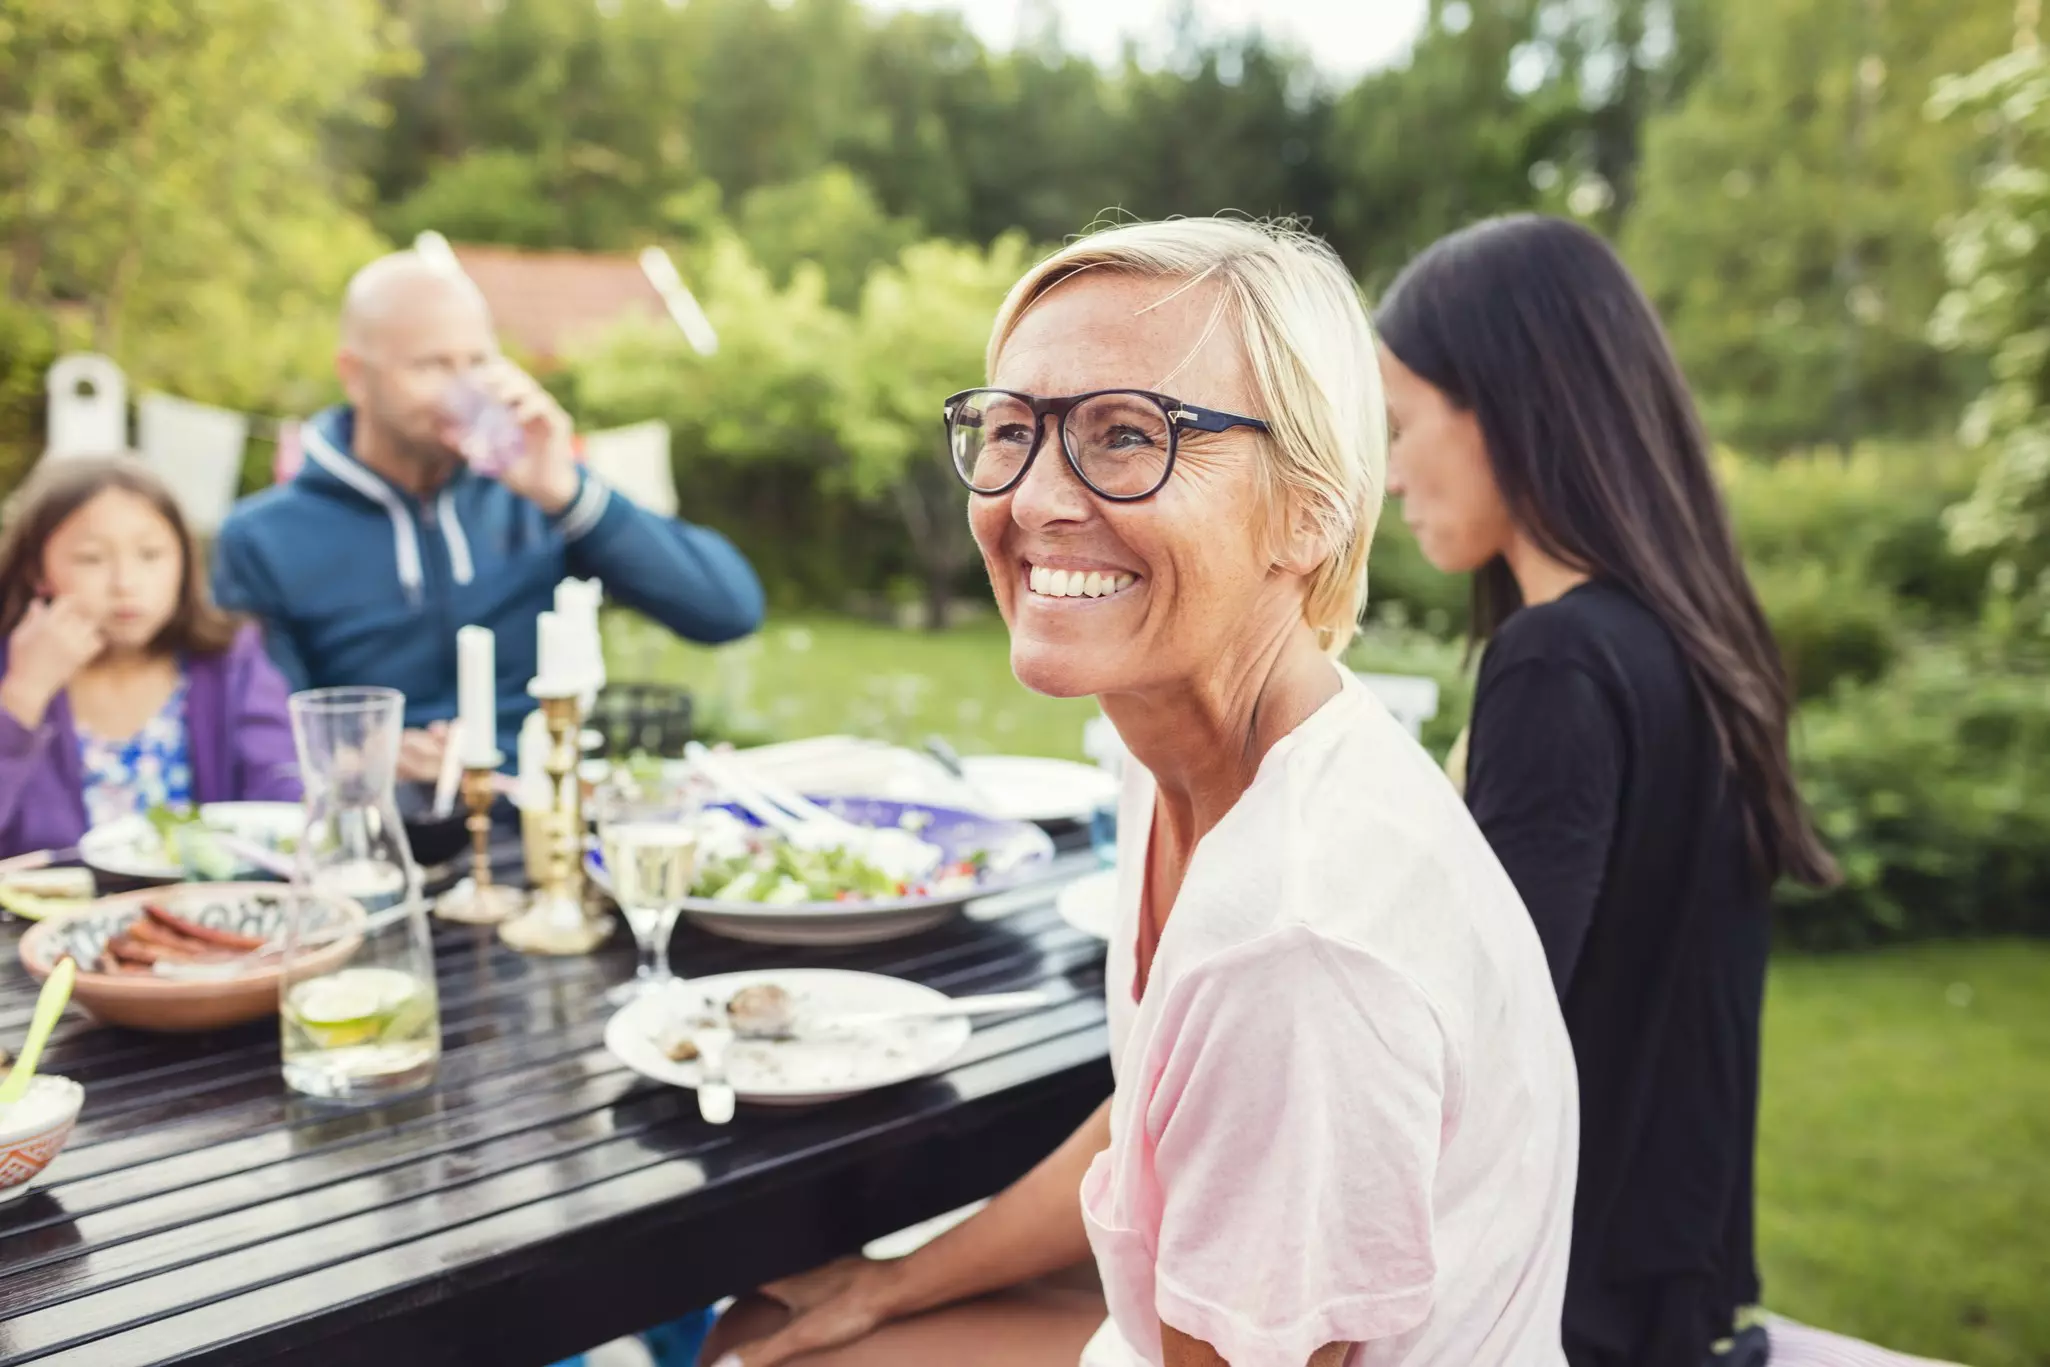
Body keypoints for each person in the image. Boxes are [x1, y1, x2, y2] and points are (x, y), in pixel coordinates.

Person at [699, 216, 1579, 1367]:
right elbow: (1157, 1127)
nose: (1036, 499)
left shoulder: (1293, 935)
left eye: (1127, 434)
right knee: (778, 1322)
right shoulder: (1181, 755)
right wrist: (886, 1285)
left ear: (1310, 509)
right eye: (1010, 429)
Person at [1374, 214, 1839, 1367]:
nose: (1386, 472)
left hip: (1548, 1305)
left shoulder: (1559, 661)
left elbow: (1463, 1047)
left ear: (1503, 404)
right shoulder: (1691, 640)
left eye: (1399, 422)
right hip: (1669, 1282)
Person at [212, 251, 764, 781]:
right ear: (355, 375)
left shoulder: (533, 498)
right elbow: (263, 744)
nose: (463, 390)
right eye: (432, 365)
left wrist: (568, 493)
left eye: (477, 363)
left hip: (537, 817)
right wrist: (365, 757)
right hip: (377, 830)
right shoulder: (263, 538)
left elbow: (728, 611)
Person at [0, 455, 301, 860]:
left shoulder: (229, 662)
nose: (125, 583)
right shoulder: (15, 674)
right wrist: (23, 696)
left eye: (151, 554)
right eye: (91, 558)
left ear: (184, 561)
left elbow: (281, 788)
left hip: (210, 910)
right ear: (38, 571)